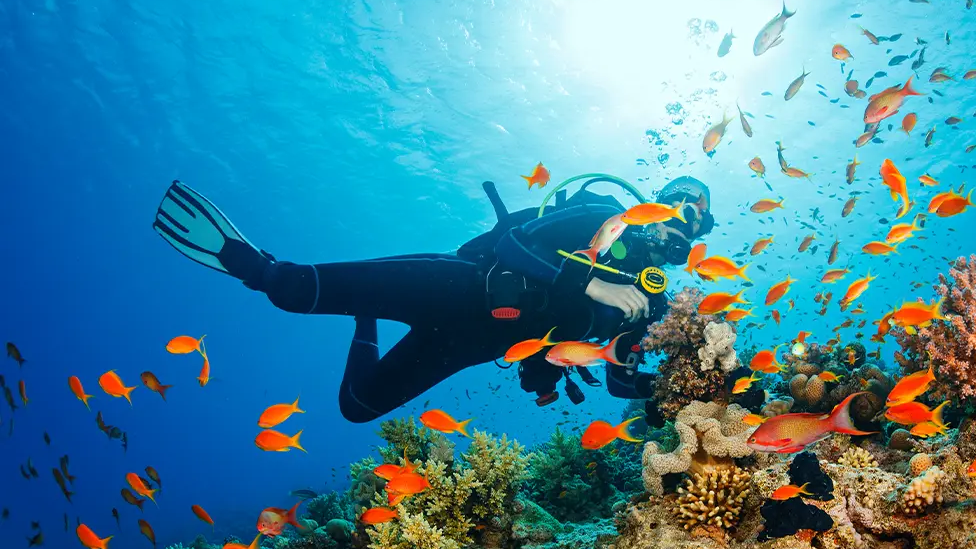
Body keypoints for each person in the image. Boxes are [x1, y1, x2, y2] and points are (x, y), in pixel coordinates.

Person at [153, 175, 715, 422]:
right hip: (460, 283)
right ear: (659, 204)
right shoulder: (608, 218)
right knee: (291, 288)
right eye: (681, 206)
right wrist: (591, 282)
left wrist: (673, 394)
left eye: (698, 220)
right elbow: (513, 244)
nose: (686, 223)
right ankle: (243, 258)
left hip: (472, 345)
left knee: (358, 407)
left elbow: (619, 380)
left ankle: (365, 320)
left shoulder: (654, 302)